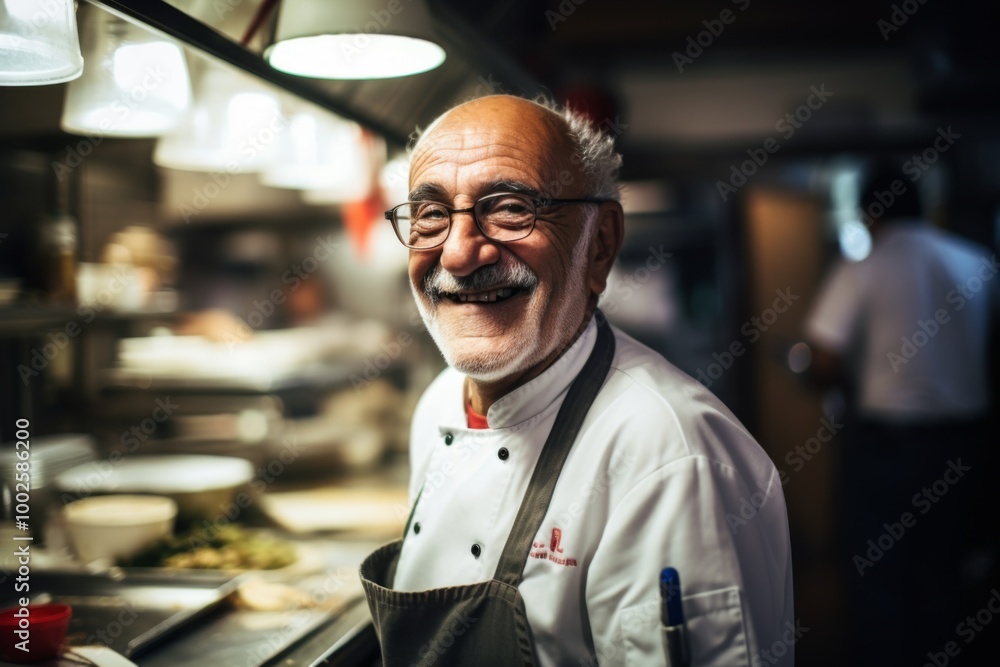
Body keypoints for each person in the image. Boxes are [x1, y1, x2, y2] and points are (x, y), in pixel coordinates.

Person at [359, 94, 794, 666]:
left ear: (601, 244)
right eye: (431, 214)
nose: (460, 252)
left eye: (511, 207)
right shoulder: (438, 404)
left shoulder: (671, 459)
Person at [805, 164, 998, 664]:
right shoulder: (977, 262)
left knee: (878, 574)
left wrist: (844, 375)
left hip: (887, 447)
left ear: (869, 213)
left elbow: (822, 357)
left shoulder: (863, 266)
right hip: (965, 442)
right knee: (946, 570)